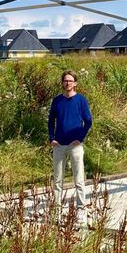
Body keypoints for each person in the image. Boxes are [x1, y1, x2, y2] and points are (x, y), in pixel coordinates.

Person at [47, 70, 92, 217]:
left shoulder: (81, 100)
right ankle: (57, 208)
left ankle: (81, 207)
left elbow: (88, 121)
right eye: (65, 81)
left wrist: (80, 138)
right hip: (59, 145)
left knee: (78, 178)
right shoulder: (57, 100)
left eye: (70, 81)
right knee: (58, 179)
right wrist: (51, 138)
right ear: (62, 83)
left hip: (75, 146)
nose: (68, 83)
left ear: (75, 83)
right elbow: (50, 121)